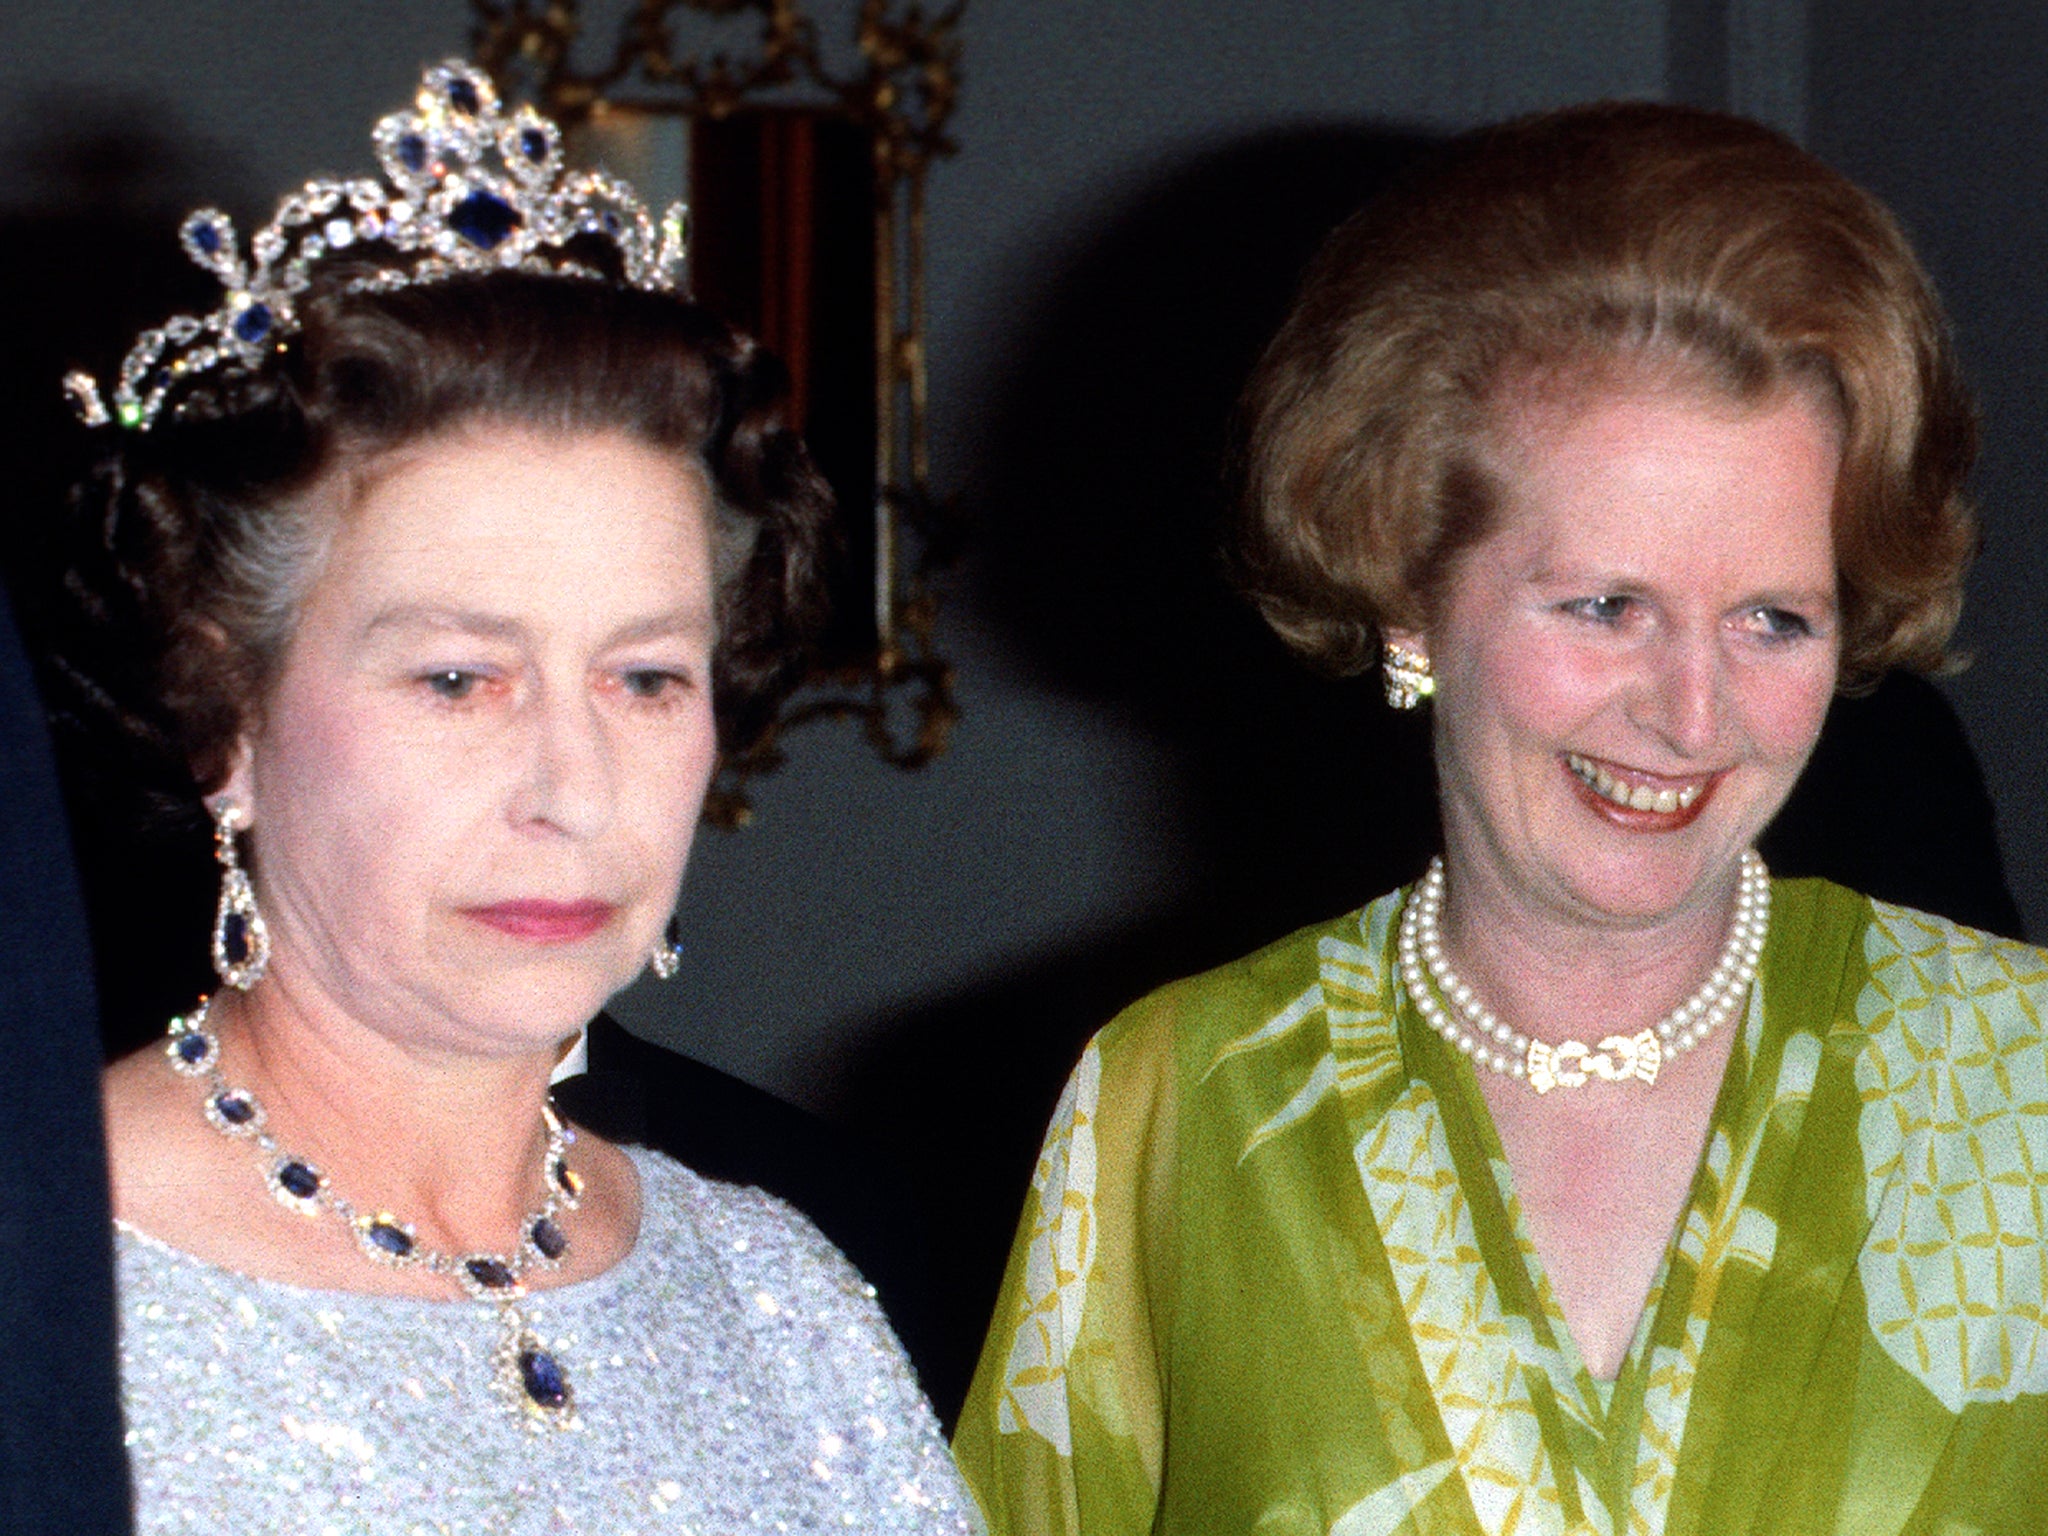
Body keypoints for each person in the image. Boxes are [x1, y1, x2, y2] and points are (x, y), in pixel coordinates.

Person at [952, 103, 2047, 1534]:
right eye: (1608, 606)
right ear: (1410, 582)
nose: (1694, 715)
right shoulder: (1177, 1103)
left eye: (1775, 619)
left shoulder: (2015, 1084)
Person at [56, 62, 976, 1532]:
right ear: (218, 712)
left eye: (645, 679)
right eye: (458, 680)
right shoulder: (43, 1276)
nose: (572, 786)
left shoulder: (785, 1295)